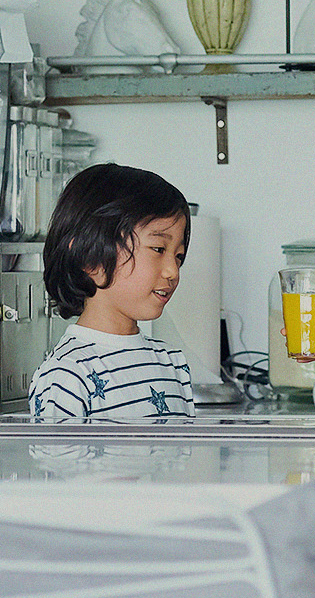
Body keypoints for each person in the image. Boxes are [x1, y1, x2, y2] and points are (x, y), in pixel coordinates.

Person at [31, 163, 194, 423]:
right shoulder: (68, 373)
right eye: (158, 249)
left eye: (179, 256)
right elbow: (59, 464)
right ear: (90, 256)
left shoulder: (172, 363)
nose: (173, 271)